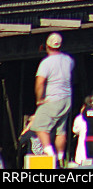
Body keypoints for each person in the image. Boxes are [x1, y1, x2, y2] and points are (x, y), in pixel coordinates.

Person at [31, 32, 75, 162]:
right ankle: (61, 158)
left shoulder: (46, 63)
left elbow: (40, 83)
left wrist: (39, 99)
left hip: (52, 99)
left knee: (39, 127)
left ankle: (50, 155)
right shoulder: (69, 60)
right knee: (60, 131)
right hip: (67, 98)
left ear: (47, 46)